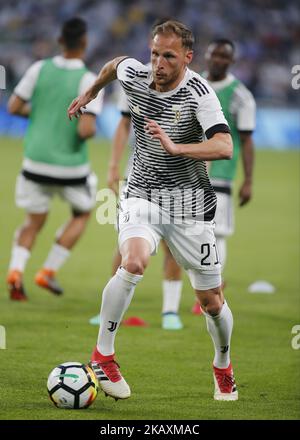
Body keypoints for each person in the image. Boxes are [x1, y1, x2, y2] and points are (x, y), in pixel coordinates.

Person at [68, 20, 238, 401]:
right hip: (141, 193)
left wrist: (178, 149)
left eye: (168, 56)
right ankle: (103, 357)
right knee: (132, 262)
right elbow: (115, 64)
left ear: (188, 58)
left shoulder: (201, 94)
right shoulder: (138, 74)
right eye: (155, 53)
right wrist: (93, 91)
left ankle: (223, 365)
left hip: (188, 205)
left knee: (211, 301)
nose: (158, 63)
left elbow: (225, 146)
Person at [7, 17, 103, 301]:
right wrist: (83, 126)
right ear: (84, 43)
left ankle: (15, 271)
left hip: (34, 163)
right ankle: (48, 270)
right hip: (70, 167)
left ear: (60, 41)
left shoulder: (39, 69)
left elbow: (14, 106)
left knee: (32, 221)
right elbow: (86, 129)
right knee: (82, 213)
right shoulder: (90, 80)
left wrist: (40, 117)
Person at [89, 86, 184, 330]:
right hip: (138, 178)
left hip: (178, 181)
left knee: (173, 244)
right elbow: (123, 124)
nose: (159, 59)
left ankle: (170, 311)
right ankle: (109, 310)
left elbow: (204, 138)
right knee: (126, 241)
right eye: (155, 51)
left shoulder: (192, 89)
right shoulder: (134, 83)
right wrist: (113, 165)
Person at [192, 39, 256, 314]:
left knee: (216, 235)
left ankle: (213, 292)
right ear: (205, 56)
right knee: (190, 236)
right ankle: (204, 292)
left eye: (223, 56)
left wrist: (249, 180)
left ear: (231, 62)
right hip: (190, 174)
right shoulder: (191, 84)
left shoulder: (241, 96)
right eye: (213, 54)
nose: (217, 59)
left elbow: (247, 140)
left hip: (221, 177)